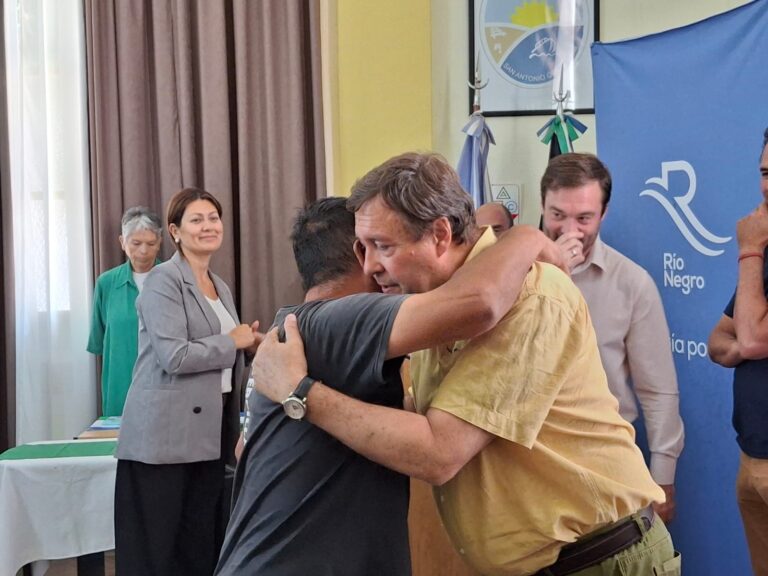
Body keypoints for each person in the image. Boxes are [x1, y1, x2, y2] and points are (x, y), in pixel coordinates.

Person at [253, 152, 679, 576]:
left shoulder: (531, 295)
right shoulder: (428, 302)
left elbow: (440, 452)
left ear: (440, 234)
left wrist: (301, 392)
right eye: (363, 248)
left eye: (383, 246)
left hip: (601, 561)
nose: (369, 267)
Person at [215, 197, 560, 575]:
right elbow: (479, 301)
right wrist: (525, 238)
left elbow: (243, 447)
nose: (387, 265)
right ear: (362, 254)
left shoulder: (292, 329)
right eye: (381, 246)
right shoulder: (340, 322)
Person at [114, 188, 260, 576]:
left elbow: (222, 351)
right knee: (158, 552)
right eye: (197, 219)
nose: (208, 226)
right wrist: (232, 341)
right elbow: (175, 356)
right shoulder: (163, 281)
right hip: (163, 440)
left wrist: (250, 345)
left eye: (214, 217)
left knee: (199, 545)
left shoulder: (219, 285)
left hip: (209, 435)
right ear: (175, 232)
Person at [540, 153, 684, 523]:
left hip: (606, 456)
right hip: (529, 455)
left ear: (603, 215)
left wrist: (663, 479)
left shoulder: (632, 283)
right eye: (557, 215)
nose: (570, 229)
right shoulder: (511, 275)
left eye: (584, 218)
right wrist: (550, 276)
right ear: (542, 206)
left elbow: (657, 389)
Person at [708, 127, 768, 576]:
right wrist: (737, 351)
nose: (767, 186)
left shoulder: (756, 251)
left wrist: (749, 249)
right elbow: (721, 339)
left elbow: (750, 340)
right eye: (765, 173)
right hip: (752, 456)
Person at [87, 206, 162, 416]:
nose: (143, 251)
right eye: (136, 243)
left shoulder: (174, 280)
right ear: (122, 242)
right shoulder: (107, 284)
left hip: (165, 387)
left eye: (151, 243)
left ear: (160, 243)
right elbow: (99, 341)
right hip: (120, 388)